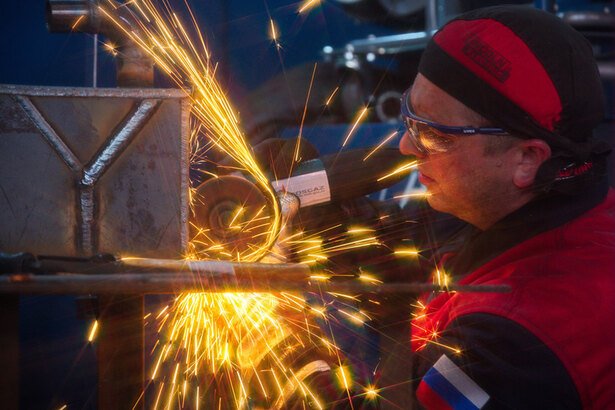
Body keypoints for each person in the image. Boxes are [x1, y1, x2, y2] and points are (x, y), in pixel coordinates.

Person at [397, 5, 614, 409]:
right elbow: (428, 235)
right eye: (410, 115)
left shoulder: (509, 343)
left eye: (433, 133)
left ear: (527, 159)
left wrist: (306, 363)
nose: (406, 147)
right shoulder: (573, 199)